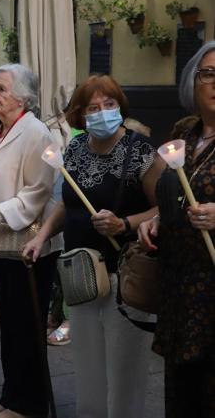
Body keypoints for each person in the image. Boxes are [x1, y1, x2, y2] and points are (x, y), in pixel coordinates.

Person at [24, 74, 163, 418]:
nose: (102, 112)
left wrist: (125, 223)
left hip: (124, 275)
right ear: (81, 115)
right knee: (87, 363)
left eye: (110, 104)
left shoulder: (140, 151)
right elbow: (67, 203)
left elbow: (163, 207)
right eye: (93, 107)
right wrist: (41, 236)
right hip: (81, 272)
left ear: (120, 106)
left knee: (124, 366)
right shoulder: (76, 147)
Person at [0, 64, 61, 418]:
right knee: (10, 326)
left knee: (27, 327)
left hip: (29, 242)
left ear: (23, 96)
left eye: (2, 89)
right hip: (3, 242)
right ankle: (10, 397)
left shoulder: (36, 133)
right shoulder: (1, 131)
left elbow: (41, 189)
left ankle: (30, 404)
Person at [138, 41, 215, 418]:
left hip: (212, 287)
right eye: (209, 74)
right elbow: (171, 193)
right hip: (178, 286)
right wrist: (156, 219)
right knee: (180, 390)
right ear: (193, 83)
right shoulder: (185, 131)